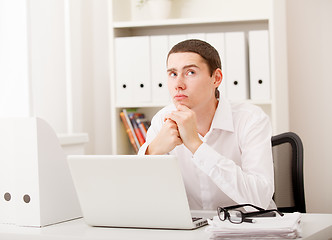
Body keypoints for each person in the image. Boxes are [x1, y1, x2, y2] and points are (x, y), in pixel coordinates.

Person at [138, 39, 275, 210]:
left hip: (248, 227)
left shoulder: (251, 119)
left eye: (190, 73)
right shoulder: (162, 120)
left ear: (216, 78)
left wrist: (196, 145)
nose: (178, 84)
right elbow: (141, 197)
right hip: (191, 230)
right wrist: (153, 150)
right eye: (173, 74)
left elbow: (259, 198)